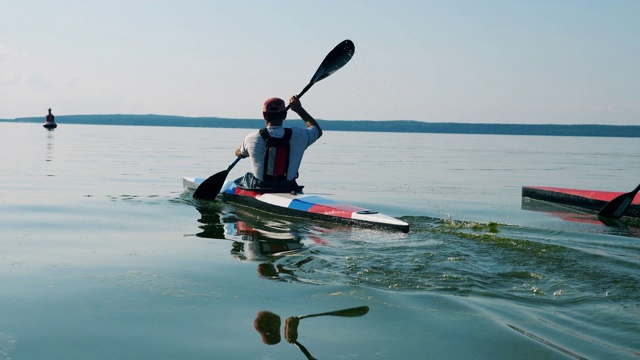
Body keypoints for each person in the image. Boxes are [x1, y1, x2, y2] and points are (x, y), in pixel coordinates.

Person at [234, 95, 322, 191]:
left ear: (264, 115)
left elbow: (238, 153)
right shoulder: (299, 135)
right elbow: (317, 130)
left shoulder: (252, 138)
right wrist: (299, 109)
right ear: (285, 115)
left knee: (246, 177)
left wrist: (242, 152)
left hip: (261, 188)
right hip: (288, 187)